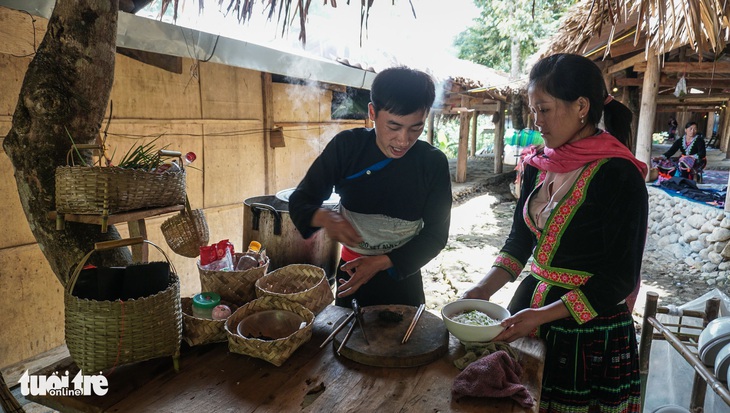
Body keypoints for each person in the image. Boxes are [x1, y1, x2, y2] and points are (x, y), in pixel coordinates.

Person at [464, 53, 648, 413]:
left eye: (544, 109)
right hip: (527, 311)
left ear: (582, 106)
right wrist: (481, 292)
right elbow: (520, 241)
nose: (537, 121)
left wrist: (542, 315)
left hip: (588, 335)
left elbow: (619, 278)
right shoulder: (539, 166)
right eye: (534, 110)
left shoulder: (619, 176)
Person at [288, 66, 452, 309]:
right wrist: (323, 216)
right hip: (350, 273)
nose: (403, 140)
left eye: (415, 128)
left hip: (403, 277)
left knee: (406, 341)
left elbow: (436, 236)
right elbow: (301, 200)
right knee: (345, 339)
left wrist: (382, 261)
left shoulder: (432, 163)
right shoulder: (347, 148)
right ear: (373, 112)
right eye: (394, 126)